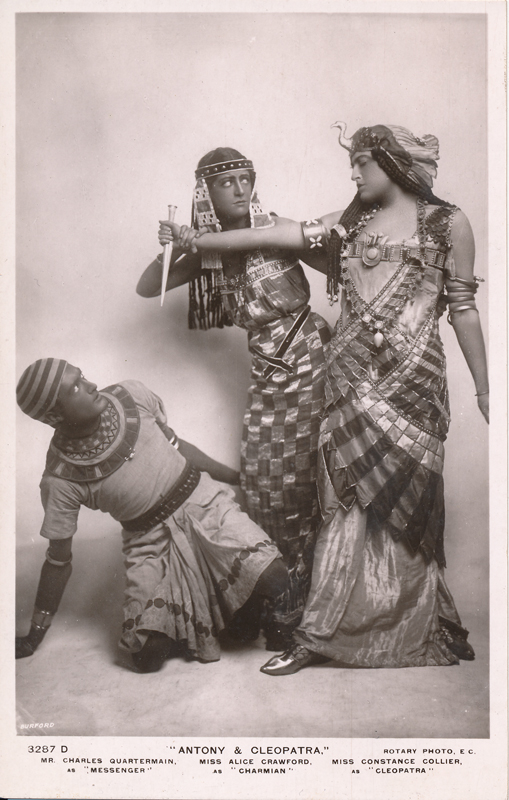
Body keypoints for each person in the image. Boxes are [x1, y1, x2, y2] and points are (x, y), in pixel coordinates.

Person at [164, 124, 488, 675]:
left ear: (392, 162)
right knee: (341, 500)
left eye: (363, 163)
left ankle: (423, 618)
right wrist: (197, 241)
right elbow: (270, 236)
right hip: (348, 377)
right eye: (353, 165)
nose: (355, 174)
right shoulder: (348, 225)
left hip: (416, 381)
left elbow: (463, 308)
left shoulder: (448, 221)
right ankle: (321, 631)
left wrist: (485, 387)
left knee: (409, 502)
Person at [137, 148, 332, 650]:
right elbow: (145, 287)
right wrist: (175, 247)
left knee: (301, 481)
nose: (241, 189)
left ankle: (304, 604)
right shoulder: (211, 250)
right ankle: (273, 595)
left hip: (309, 365)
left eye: (247, 179)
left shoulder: (276, 228)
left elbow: (336, 261)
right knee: (264, 482)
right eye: (228, 183)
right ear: (206, 192)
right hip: (270, 377)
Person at [15, 358, 289, 673]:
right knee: (145, 656)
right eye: (75, 388)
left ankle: (238, 612)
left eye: (82, 375)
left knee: (274, 576)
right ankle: (205, 616)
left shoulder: (131, 395)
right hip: (151, 544)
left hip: (205, 505)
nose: (90, 385)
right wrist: (34, 634)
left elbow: (178, 447)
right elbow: (58, 560)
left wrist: (236, 477)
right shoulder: (60, 479)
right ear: (54, 416)